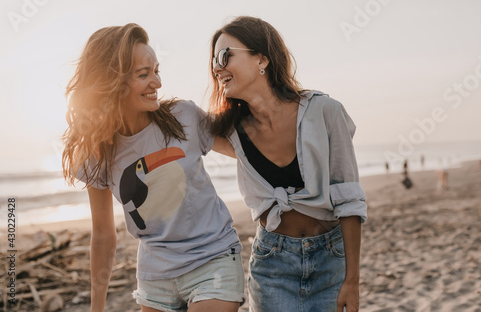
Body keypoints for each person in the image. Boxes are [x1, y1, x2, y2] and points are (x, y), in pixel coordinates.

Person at [62, 23, 244, 312]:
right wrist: (96, 307)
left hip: (213, 258)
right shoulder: (97, 153)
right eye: (143, 74)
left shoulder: (183, 117)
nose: (157, 83)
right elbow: (104, 235)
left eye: (156, 71)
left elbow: (245, 151)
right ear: (113, 82)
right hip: (155, 275)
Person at [208, 16, 367, 312]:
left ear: (261, 59)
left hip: (330, 262)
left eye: (224, 55)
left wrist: (352, 280)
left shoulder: (325, 112)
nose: (217, 66)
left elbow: (350, 199)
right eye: (214, 60)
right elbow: (176, 126)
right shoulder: (230, 132)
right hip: (272, 265)